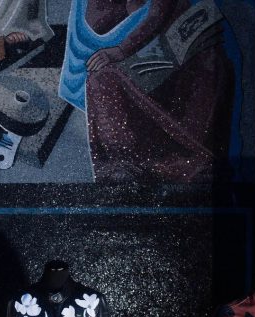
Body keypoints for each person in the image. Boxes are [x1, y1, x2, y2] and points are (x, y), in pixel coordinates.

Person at [60, 0, 235, 183]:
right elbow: (101, 22)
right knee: (102, 79)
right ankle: (122, 162)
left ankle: (173, 161)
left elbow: (158, 14)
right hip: (149, 55)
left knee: (106, 80)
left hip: (183, 56)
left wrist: (121, 50)